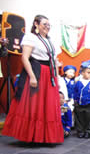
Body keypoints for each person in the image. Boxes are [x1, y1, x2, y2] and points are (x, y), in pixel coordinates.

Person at [2, 14, 64, 143]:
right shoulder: (31, 37)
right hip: (37, 71)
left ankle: (45, 137)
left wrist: (56, 78)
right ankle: (32, 136)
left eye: (48, 25)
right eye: (44, 24)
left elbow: (54, 59)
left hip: (49, 74)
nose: (47, 27)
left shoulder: (50, 40)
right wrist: (32, 77)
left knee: (48, 105)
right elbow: (25, 58)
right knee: (35, 105)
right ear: (36, 24)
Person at [73, 62, 90, 138]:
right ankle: (80, 131)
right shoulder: (78, 82)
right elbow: (75, 92)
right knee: (80, 118)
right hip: (79, 103)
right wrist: (75, 101)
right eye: (88, 72)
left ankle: (88, 131)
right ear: (82, 73)